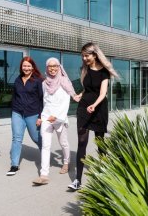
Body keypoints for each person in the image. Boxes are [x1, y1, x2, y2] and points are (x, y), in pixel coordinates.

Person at [68, 42, 118, 190]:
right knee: (81, 142)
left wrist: (94, 105)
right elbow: (87, 89)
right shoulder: (85, 69)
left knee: (100, 142)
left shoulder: (104, 72)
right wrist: (79, 95)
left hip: (99, 109)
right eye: (82, 56)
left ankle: (105, 175)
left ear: (95, 55)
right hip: (84, 108)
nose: (84, 58)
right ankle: (77, 180)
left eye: (87, 56)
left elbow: (102, 93)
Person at [32, 57, 79, 185]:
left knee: (63, 143)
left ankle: (66, 162)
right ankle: (44, 175)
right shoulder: (44, 83)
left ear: (59, 67)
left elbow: (66, 101)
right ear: (47, 68)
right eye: (50, 66)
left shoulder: (64, 81)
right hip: (47, 117)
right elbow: (45, 101)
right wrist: (41, 117)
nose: (52, 68)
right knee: (46, 145)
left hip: (60, 118)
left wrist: (58, 116)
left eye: (55, 66)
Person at [6, 56, 44, 176]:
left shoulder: (38, 80)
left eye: (28, 66)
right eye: (24, 66)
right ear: (21, 67)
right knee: (16, 138)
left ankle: (46, 156)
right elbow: (15, 96)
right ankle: (14, 165)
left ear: (32, 67)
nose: (26, 68)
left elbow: (42, 99)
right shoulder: (18, 79)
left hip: (33, 114)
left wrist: (40, 116)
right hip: (17, 113)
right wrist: (13, 111)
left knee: (36, 138)